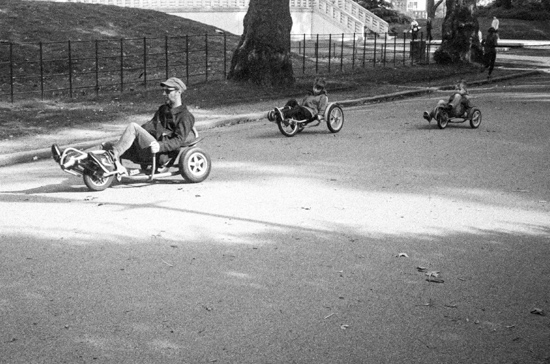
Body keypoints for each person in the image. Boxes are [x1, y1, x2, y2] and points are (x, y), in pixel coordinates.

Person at [90, 77, 196, 172]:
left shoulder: (185, 116)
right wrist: (127, 138)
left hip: (160, 153)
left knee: (133, 127)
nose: (164, 94)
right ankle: (84, 159)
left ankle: (112, 157)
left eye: (168, 91)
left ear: (178, 92)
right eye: (164, 91)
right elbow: (149, 127)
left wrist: (160, 146)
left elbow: (178, 140)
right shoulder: (163, 109)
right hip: (146, 148)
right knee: (108, 145)